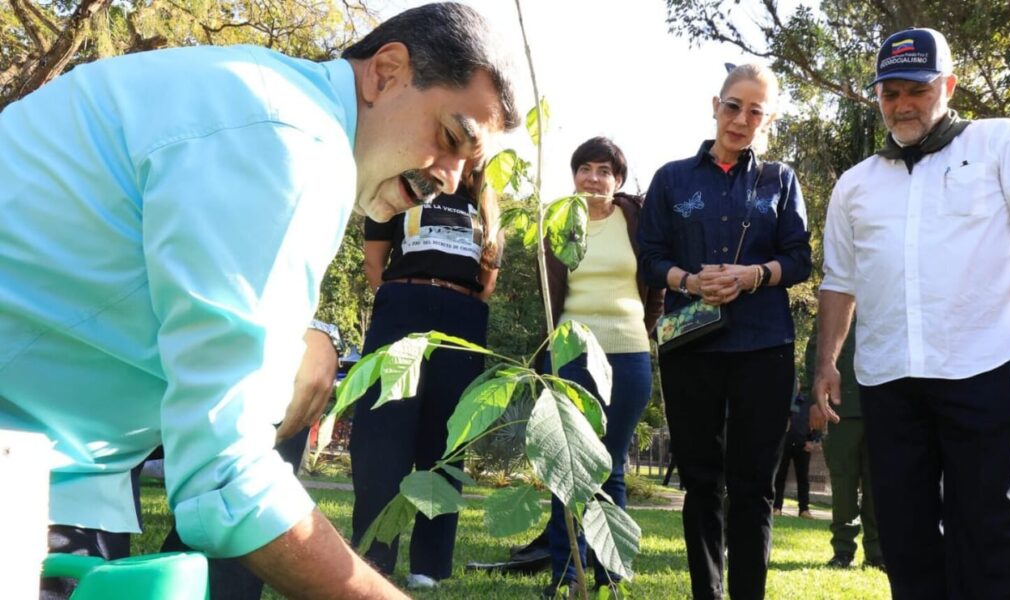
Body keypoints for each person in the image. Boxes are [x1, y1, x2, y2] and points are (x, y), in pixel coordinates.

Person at [0, 3, 519, 598]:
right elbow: (224, 477)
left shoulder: (271, 104)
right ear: (386, 73)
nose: (451, 179)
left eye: (468, 165)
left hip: (60, 468)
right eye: (451, 138)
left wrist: (311, 340)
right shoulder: (292, 143)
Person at [812, 27, 1010, 599]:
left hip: (981, 366)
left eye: (916, 88)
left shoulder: (1001, 143)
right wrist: (827, 364)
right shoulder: (854, 186)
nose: (902, 104)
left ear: (948, 85)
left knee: (988, 526)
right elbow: (839, 283)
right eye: (890, 93)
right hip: (890, 380)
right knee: (905, 533)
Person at [638, 63, 811, 599]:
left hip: (765, 345)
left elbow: (799, 260)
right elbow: (649, 257)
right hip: (692, 345)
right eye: (734, 106)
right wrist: (689, 279)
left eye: (756, 111)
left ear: (769, 119)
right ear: (715, 105)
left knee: (754, 486)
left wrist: (755, 275)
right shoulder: (672, 178)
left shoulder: (780, 180)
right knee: (702, 481)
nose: (742, 119)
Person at [350, 171, 502, 590]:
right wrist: (411, 296)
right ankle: (374, 555)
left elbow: (487, 279)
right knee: (382, 436)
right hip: (402, 306)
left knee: (447, 439)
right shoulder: (401, 187)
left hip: (462, 317)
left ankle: (429, 566)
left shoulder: (486, 204)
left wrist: (449, 300)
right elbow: (374, 264)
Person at [539, 137, 664, 598]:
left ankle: (613, 576)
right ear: (574, 175)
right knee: (568, 466)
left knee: (610, 467)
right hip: (571, 352)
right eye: (585, 168)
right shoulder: (558, 221)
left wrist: (639, 331)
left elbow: (654, 288)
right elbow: (550, 289)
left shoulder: (635, 219)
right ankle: (567, 576)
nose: (594, 178)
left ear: (618, 179)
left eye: (604, 170)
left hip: (629, 353)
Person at [803, 321, 882, 570]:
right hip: (841, 410)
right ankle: (843, 551)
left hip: (882, 409)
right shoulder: (836, 303)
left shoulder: (886, 300)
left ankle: (877, 553)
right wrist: (814, 401)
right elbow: (815, 353)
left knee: (877, 485)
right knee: (842, 482)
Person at [772, 385, 816, 519]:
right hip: (783, 444)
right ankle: (776, 507)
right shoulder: (780, 400)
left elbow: (816, 422)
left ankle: (804, 510)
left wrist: (812, 440)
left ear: (799, 386)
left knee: (803, 479)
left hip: (803, 445)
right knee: (779, 477)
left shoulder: (806, 402)